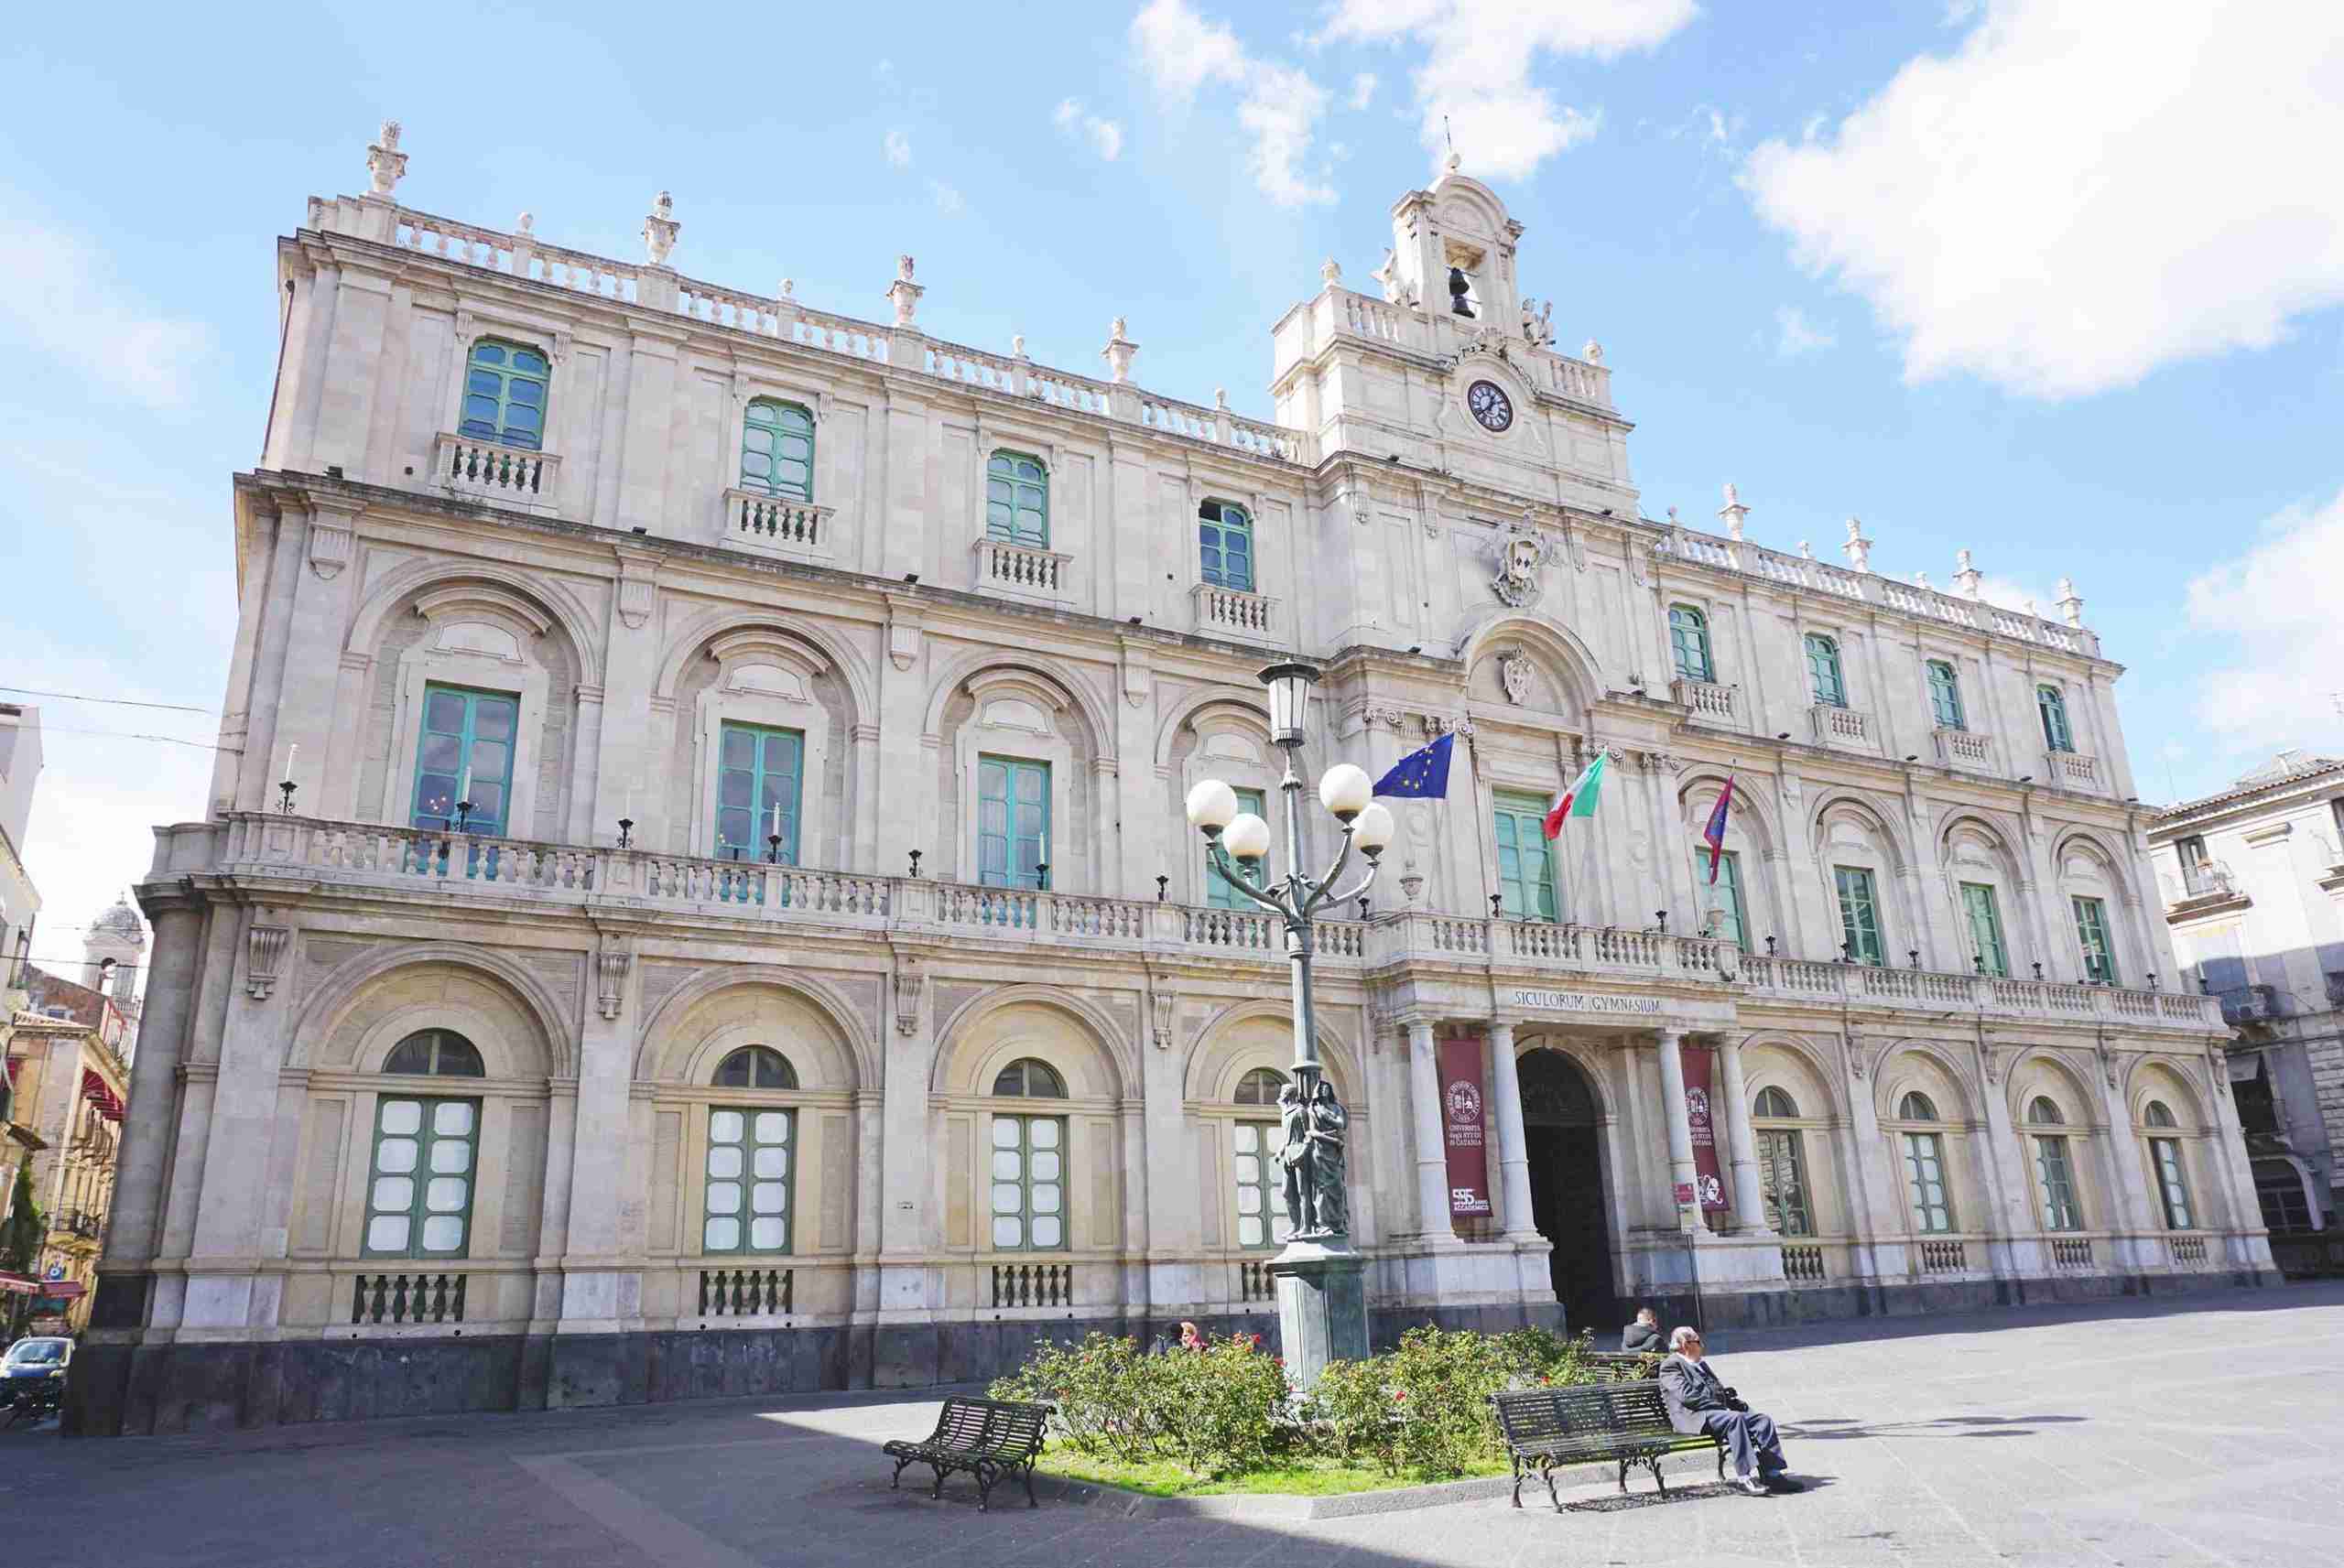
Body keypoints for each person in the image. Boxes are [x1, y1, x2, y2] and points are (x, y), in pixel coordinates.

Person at [1657, 1326, 1798, 1495]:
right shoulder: (1671, 1366)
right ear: (1685, 1345)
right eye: (1698, 1341)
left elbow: (1715, 1390)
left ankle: (1772, 1474)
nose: (1702, 1345)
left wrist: (1731, 1402)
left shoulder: (1698, 1363)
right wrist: (1722, 1408)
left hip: (1717, 1413)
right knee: (1734, 1419)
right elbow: (1688, 1397)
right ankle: (1744, 1479)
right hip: (1693, 1417)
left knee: (1762, 1420)